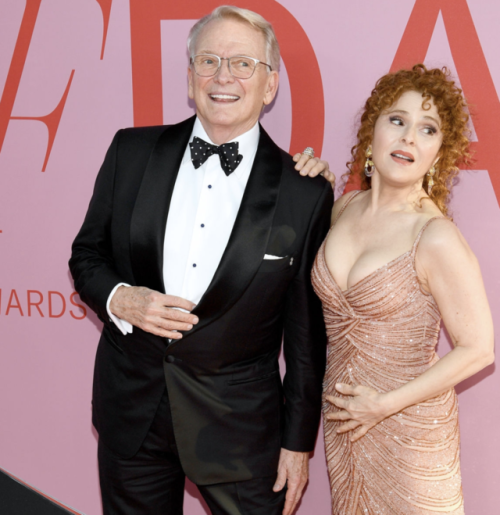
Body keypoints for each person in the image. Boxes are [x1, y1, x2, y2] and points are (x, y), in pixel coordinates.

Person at [69, 6, 334, 515]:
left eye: (242, 64)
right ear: (190, 79)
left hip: (239, 430)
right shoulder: (131, 151)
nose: (222, 76)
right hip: (133, 416)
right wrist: (123, 299)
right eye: (208, 61)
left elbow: (305, 336)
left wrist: (299, 443)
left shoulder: (305, 192)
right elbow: (87, 255)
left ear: (270, 84)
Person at [311, 64, 494, 514]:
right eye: (397, 120)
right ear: (373, 129)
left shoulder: (434, 236)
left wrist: (383, 405)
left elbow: (479, 349)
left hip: (407, 432)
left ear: (439, 152)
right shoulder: (344, 208)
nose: (409, 137)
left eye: (427, 129)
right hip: (346, 426)